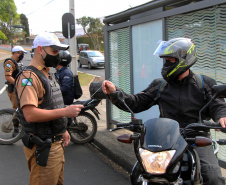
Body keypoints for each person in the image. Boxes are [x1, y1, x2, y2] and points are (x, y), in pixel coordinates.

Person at [102, 38, 226, 185]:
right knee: (139, 174)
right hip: (166, 140)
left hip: (195, 139)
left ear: (184, 59)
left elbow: (217, 105)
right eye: (165, 60)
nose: (167, 64)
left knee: (212, 178)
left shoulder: (204, 83)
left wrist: (222, 116)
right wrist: (115, 92)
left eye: (171, 60)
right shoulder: (160, 85)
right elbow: (136, 102)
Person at [14, 32, 84, 185]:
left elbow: (52, 104)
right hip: (44, 147)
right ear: (40, 50)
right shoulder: (28, 77)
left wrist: (63, 130)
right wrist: (66, 112)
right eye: (54, 52)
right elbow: (30, 114)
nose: (57, 56)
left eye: (58, 52)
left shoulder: (47, 74)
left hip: (56, 144)